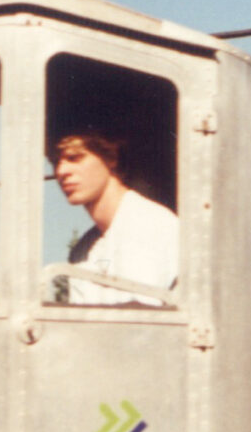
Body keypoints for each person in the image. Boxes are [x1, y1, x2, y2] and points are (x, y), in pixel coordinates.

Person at [48, 131, 178, 305]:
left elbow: (141, 322)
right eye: (55, 162)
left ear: (111, 158)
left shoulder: (149, 224)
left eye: (74, 158)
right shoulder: (82, 250)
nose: (61, 171)